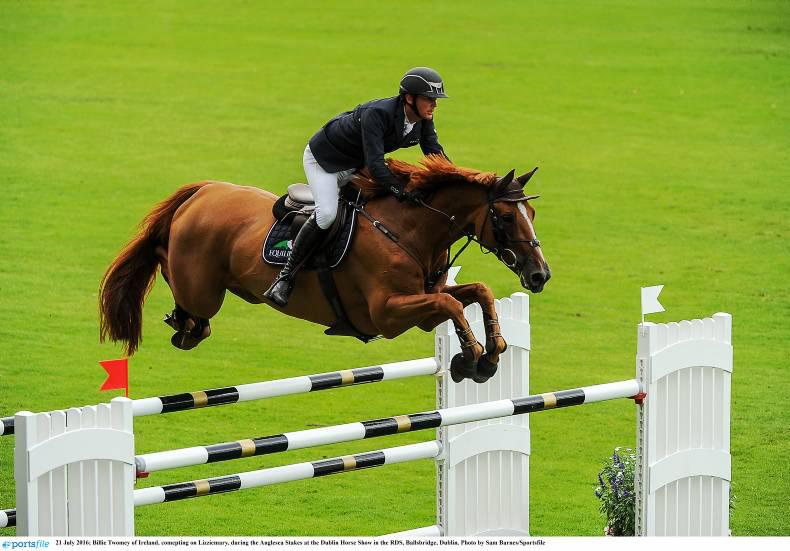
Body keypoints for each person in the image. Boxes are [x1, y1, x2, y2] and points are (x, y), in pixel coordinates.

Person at [263, 66, 450, 307]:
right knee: (327, 214)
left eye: (435, 99)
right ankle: (285, 277)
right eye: (429, 99)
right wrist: (401, 191)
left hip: (354, 163)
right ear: (409, 98)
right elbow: (376, 165)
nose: (434, 105)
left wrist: (457, 179)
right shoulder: (377, 114)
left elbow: (435, 153)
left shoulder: (422, 120)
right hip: (325, 162)